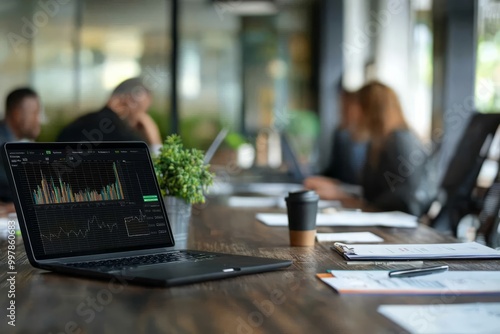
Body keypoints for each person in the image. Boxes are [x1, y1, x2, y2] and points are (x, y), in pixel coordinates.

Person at [304, 81, 429, 216]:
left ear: (369, 110)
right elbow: (373, 195)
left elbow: (402, 204)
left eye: (354, 107)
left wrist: (344, 197)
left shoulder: (399, 141)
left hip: (402, 230)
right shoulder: (378, 143)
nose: (348, 114)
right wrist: (339, 190)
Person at [57, 77, 162, 151]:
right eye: (141, 111)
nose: (142, 119)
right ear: (125, 101)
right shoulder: (126, 139)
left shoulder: (78, 124)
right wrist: (155, 142)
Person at [0, 87, 42, 210]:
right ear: (17, 114)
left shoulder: (14, 141)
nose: (38, 120)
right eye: (35, 113)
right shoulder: (4, 147)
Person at [321, 88, 367, 185]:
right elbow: (334, 170)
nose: (341, 110)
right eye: (341, 106)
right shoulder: (340, 133)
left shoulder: (369, 138)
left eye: (346, 106)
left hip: (351, 192)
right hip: (341, 189)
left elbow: (359, 179)